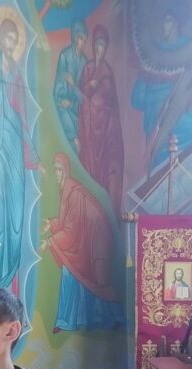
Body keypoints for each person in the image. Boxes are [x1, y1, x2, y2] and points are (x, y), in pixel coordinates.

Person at [41, 153, 124, 332]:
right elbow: (70, 221)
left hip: (94, 242)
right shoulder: (66, 190)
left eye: (59, 169)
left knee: (95, 281)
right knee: (73, 275)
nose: (56, 173)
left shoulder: (73, 192)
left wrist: (49, 242)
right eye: (54, 169)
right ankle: (66, 321)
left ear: (66, 171)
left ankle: (115, 316)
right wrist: (52, 223)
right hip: (84, 239)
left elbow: (72, 228)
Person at [0, 18, 41, 292]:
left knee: (16, 218)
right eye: (7, 38)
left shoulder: (18, 75)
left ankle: (10, 285)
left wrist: (34, 158)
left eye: (14, 40)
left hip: (15, 152)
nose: (10, 44)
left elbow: (23, 120)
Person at [78, 25, 124, 214]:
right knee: (90, 169)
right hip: (89, 128)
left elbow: (110, 100)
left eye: (103, 46)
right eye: (98, 45)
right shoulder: (88, 67)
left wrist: (96, 95)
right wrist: (90, 85)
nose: (100, 49)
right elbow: (82, 95)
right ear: (93, 46)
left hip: (104, 127)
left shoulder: (107, 71)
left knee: (107, 169)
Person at [54, 20, 87, 153]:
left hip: (76, 103)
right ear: (74, 37)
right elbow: (60, 80)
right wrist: (62, 98)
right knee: (62, 109)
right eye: (80, 38)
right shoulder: (65, 56)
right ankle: (74, 139)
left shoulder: (84, 62)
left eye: (84, 39)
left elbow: (83, 93)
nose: (82, 42)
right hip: (64, 99)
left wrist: (74, 86)